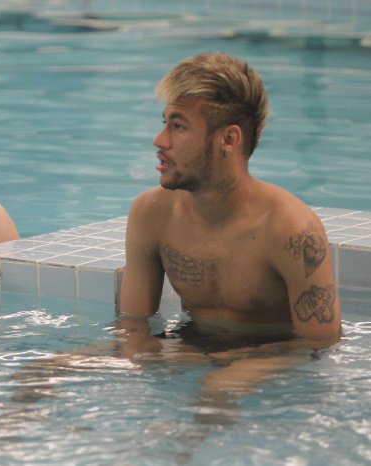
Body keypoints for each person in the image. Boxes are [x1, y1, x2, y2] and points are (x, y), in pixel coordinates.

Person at [119, 51, 341, 360]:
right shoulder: (152, 213)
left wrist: (234, 370)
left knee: (218, 392)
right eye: (164, 124)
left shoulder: (290, 229)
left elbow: (321, 342)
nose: (159, 140)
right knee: (48, 369)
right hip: (190, 346)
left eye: (178, 126)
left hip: (273, 360)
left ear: (228, 138)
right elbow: (133, 327)